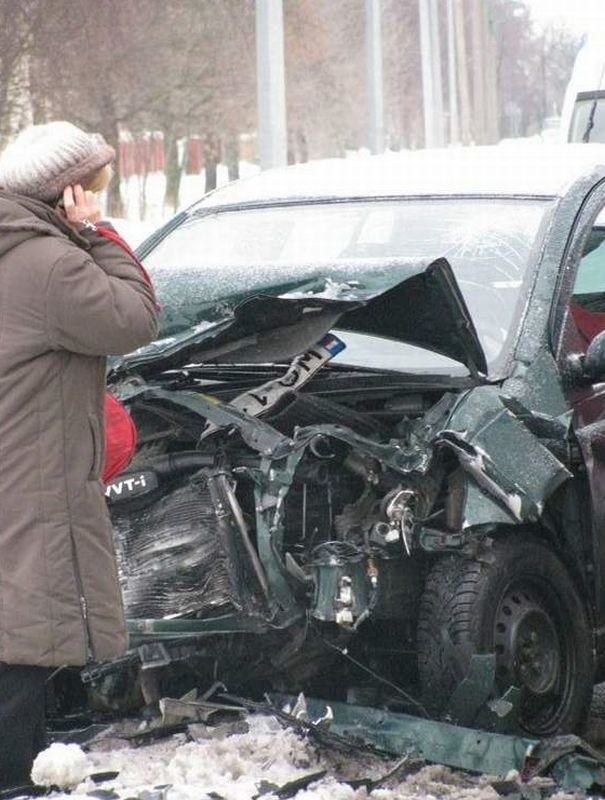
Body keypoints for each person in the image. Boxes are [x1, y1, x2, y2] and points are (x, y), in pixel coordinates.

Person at [0, 121, 158, 788]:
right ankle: (11, 775)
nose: (97, 198)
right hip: (29, 470)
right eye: (91, 188)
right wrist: (97, 234)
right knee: (22, 632)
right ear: (63, 192)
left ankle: (26, 762)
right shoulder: (51, 262)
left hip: (13, 453)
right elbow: (133, 318)